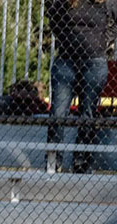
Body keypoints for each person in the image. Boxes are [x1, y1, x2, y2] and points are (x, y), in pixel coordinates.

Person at [46, 0, 117, 173]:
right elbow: (53, 19)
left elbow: (115, 23)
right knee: (58, 112)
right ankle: (53, 162)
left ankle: (81, 163)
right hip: (66, 60)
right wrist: (65, 40)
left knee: (88, 112)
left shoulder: (107, 2)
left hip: (94, 62)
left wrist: (103, 42)